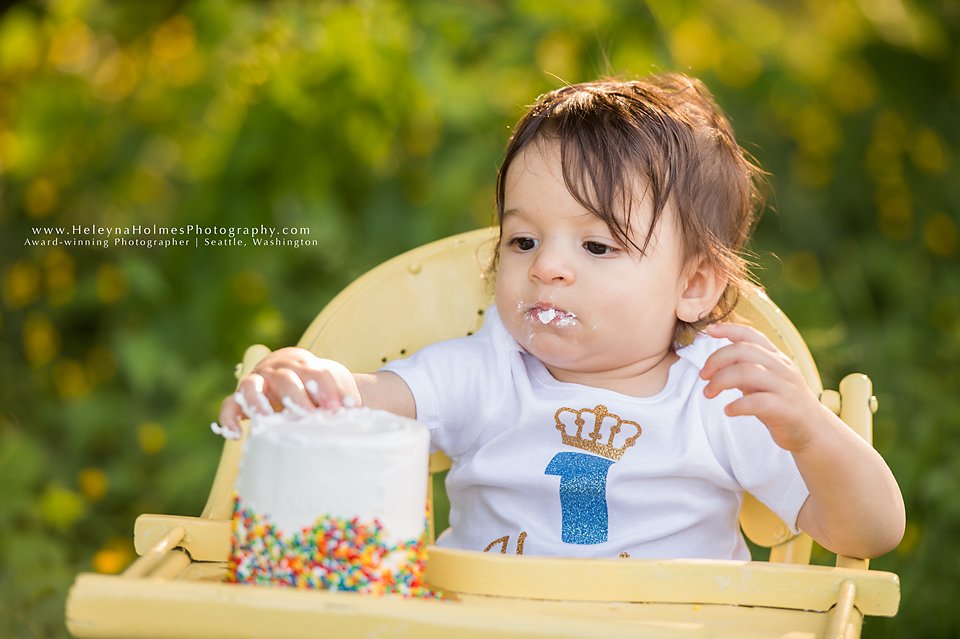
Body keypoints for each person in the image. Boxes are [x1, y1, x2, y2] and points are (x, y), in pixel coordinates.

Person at [218, 74, 905, 561]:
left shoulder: (718, 395)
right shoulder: (484, 372)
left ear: (693, 285)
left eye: (597, 245)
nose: (547, 266)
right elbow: (366, 403)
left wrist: (811, 431)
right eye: (523, 241)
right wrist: (308, 383)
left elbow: (869, 532)